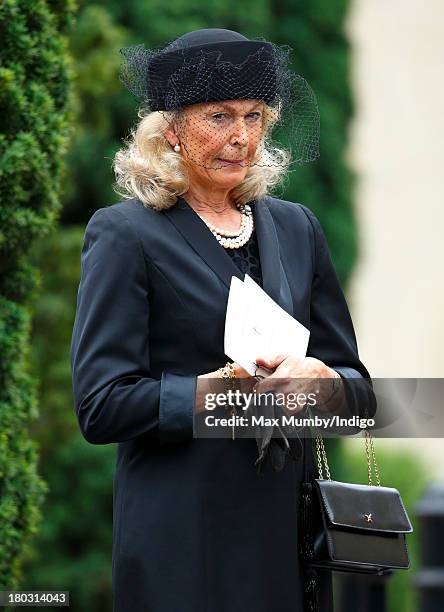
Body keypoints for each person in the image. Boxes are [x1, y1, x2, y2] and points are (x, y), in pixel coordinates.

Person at [70, 28, 375, 612]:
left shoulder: (297, 228)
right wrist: (210, 395)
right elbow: (100, 405)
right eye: (219, 116)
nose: (241, 137)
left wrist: (324, 382)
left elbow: (359, 391)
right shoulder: (125, 234)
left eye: (255, 116)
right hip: (182, 545)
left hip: (291, 543)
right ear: (172, 130)